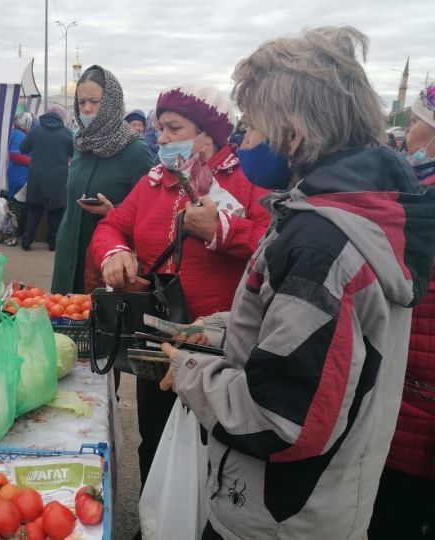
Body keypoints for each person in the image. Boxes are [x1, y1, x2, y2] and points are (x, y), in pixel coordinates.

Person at [159, 27, 435, 540]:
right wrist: (220, 331)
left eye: (253, 124)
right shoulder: (341, 214)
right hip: (316, 501)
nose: (243, 140)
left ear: (294, 130)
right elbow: (302, 334)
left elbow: (280, 418)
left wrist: (191, 370)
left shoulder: (322, 241)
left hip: (278, 515)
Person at [90, 84, 271, 489]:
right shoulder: (155, 181)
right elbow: (111, 226)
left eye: (174, 128)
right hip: (157, 343)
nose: (163, 138)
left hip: (220, 349)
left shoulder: (248, 180)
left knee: (214, 454)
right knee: (153, 437)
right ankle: (153, 524)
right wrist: (115, 252)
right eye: (160, 127)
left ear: (208, 134)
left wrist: (224, 231)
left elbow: (278, 244)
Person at [369, 83, 435, 540]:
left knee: (394, 513)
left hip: (415, 393)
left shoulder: (419, 204)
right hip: (414, 391)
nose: (407, 134)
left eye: (413, 123)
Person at [51, 65, 153, 294]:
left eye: (94, 102)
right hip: (69, 251)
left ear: (110, 102)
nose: (87, 109)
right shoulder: (81, 143)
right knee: (63, 317)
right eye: (81, 102)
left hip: (107, 259)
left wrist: (113, 211)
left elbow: (151, 210)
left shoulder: (135, 150)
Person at [20, 103, 74, 251]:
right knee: (56, 212)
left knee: (34, 210)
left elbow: (23, 148)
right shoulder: (66, 133)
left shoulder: (36, 130)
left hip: (37, 177)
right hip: (58, 178)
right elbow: (75, 155)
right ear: (62, 117)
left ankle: (26, 241)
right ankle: (53, 243)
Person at [5, 111, 32, 245]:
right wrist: (33, 161)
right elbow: (15, 155)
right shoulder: (18, 135)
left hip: (20, 173)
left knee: (19, 204)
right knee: (15, 205)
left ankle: (16, 232)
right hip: (18, 174)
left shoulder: (20, 134)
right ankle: (11, 233)